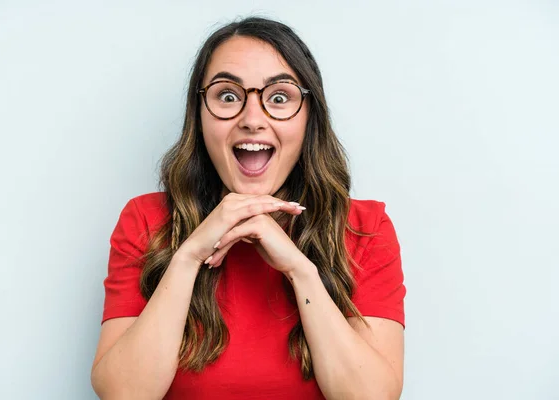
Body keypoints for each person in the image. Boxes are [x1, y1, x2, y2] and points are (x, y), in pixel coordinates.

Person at [90, 16, 406, 400]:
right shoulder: (147, 221)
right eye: (227, 96)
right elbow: (124, 394)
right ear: (200, 114)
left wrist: (298, 269)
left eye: (278, 97)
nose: (252, 120)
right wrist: (189, 255)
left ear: (310, 116)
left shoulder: (364, 228)